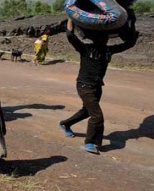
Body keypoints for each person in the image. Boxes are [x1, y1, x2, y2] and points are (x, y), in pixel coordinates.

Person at [59, 18, 138, 154]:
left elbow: (129, 43)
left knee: (87, 112)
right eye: (101, 37)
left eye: (105, 38)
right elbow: (70, 35)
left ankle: (65, 124)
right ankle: (90, 143)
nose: (104, 40)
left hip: (97, 86)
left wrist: (132, 24)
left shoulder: (108, 51)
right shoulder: (85, 48)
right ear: (94, 38)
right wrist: (71, 18)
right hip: (84, 85)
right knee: (97, 116)